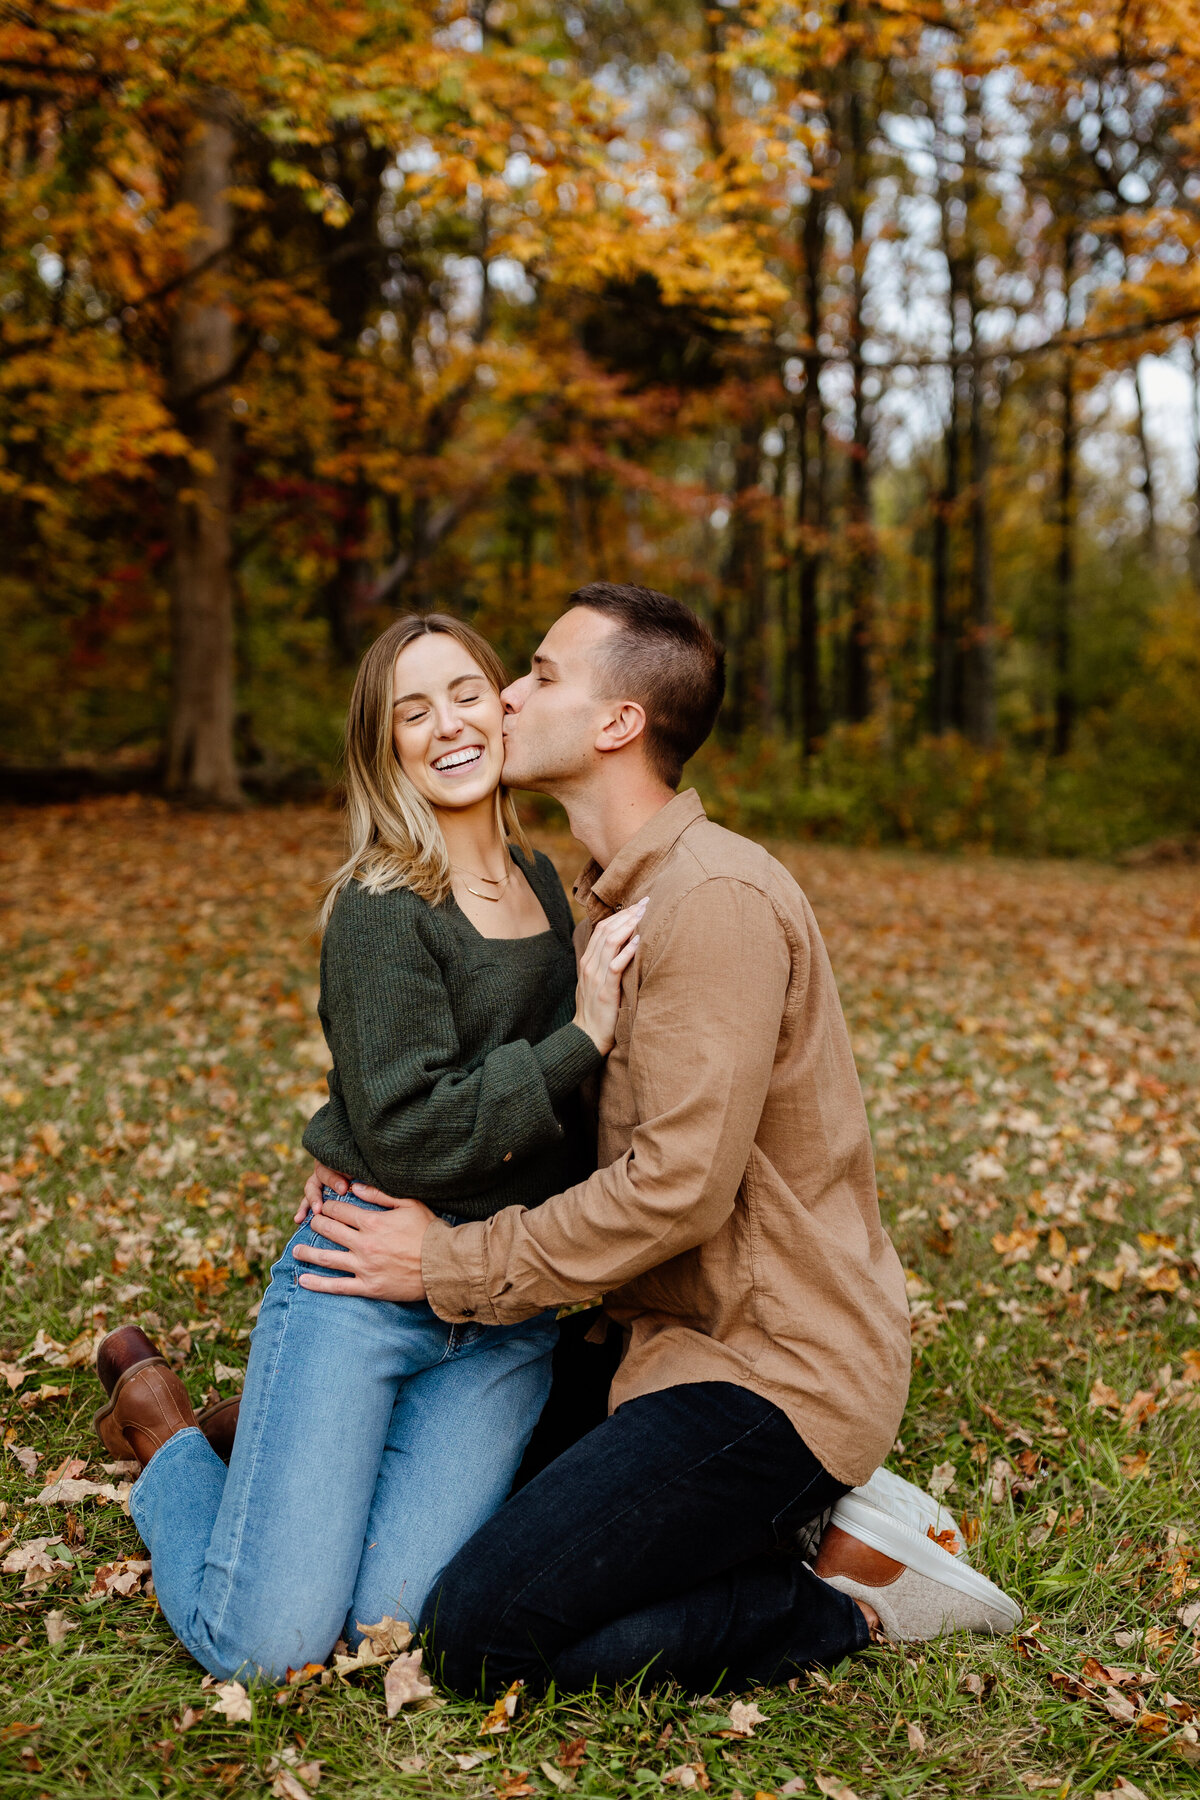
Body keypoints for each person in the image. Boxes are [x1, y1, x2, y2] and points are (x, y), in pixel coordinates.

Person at [297, 582, 1022, 1695]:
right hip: (656, 1340)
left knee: (477, 1633)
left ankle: (834, 1598)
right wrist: (358, 1143)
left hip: (772, 1374)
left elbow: (675, 1191)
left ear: (616, 725)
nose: (503, 694)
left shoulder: (712, 900)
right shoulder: (596, 899)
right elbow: (537, 1100)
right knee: (434, 1536)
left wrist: (445, 1264)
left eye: (538, 673)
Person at [88, 612, 642, 1681]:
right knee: (268, 1649)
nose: (447, 727)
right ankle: (165, 1439)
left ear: (506, 704)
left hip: (500, 1313)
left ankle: (277, 1445)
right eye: (412, 712)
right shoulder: (382, 906)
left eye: (467, 694)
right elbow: (414, 1131)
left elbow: (535, 1117)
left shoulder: (541, 881)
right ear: (381, 745)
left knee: (388, 1623)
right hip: (363, 1282)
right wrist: (582, 1037)